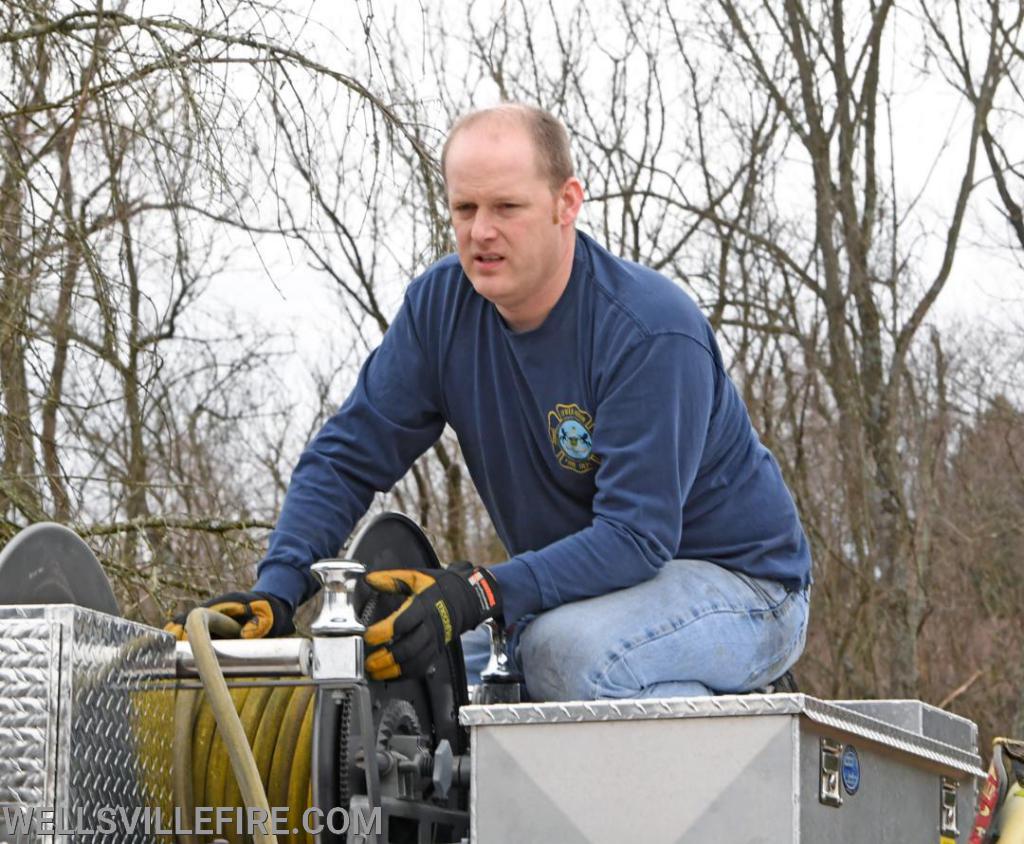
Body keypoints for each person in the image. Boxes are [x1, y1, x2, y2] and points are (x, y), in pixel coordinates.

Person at [166, 103, 811, 702]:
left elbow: (635, 538)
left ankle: (741, 738)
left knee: (566, 657)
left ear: (567, 203)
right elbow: (345, 459)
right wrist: (280, 588)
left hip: (742, 587)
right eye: (465, 208)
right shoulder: (441, 310)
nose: (482, 232)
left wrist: (483, 592)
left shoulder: (648, 331)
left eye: (507, 206)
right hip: (583, 593)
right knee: (396, 674)